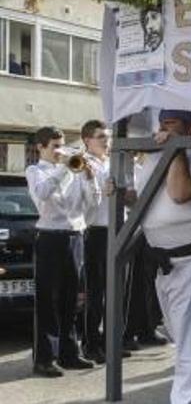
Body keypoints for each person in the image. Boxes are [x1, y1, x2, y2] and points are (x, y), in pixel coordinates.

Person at [135, 110, 191, 403]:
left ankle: (183, 399)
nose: (163, 128)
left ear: (188, 127)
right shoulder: (153, 155)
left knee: (189, 337)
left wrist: (176, 150)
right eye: (162, 123)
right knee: (180, 333)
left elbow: (180, 192)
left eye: (171, 123)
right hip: (162, 259)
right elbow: (143, 199)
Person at [26, 126, 99, 377]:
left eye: (62, 145)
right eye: (54, 146)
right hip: (49, 237)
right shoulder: (35, 171)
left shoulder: (74, 171)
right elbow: (43, 194)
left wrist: (89, 177)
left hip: (75, 236)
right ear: (41, 147)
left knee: (73, 300)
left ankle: (69, 353)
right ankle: (44, 358)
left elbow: (92, 204)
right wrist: (64, 166)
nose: (60, 150)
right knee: (48, 300)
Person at [80, 120, 113, 364]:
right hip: (95, 231)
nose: (106, 140)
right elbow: (88, 204)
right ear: (87, 140)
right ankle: (91, 343)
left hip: (116, 229)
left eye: (107, 136)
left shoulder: (113, 162)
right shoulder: (83, 164)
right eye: (100, 136)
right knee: (96, 293)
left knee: (115, 292)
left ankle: (109, 342)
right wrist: (101, 186)